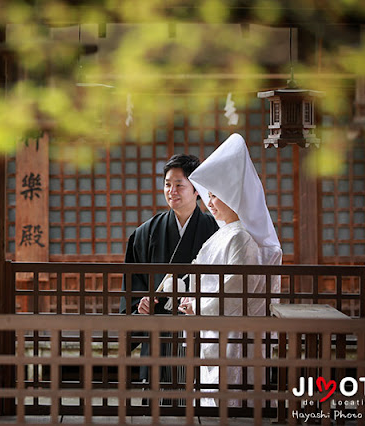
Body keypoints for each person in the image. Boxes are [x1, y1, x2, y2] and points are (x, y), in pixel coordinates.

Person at [164, 133, 283, 407]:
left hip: (232, 331)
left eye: (217, 195)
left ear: (235, 197)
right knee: (214, 393)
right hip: (216, 327)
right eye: (210, 195)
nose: (211, 202)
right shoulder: (224, 234)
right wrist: (181, 292)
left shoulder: (240, 237)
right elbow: (199, 274)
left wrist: (199, 305)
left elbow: (234, 289)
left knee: (231, 396)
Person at [119, 153, 218, 386]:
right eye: (167, 185)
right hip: (157, 332)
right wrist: (139, 305)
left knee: (196, 392)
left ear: (197, 190)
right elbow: (134, 285)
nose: (171, 191)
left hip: (197, 329)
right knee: (156, 398)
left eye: (179, 185)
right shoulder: (146, 233)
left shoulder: (215, 230)